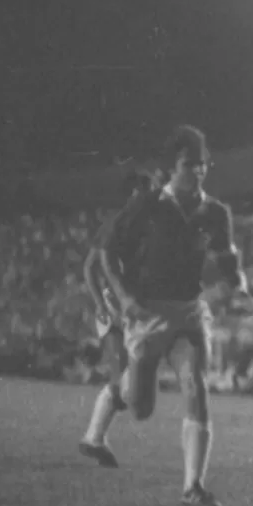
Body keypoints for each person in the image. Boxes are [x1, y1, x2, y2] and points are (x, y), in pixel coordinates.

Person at [91, 125, 252, 506]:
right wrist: (126, 299)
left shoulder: (215, 212)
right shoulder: (147, 205)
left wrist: (240, 286)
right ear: (171, 167)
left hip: (189, 311)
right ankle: (123, 382)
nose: (198, 171)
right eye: (188, 164)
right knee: (140, 407)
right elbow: (106, 253)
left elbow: (229, 261)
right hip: (147, 312)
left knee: (196, 385)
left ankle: (192, 486)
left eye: (203, 164)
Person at [78, 167, 159, 468]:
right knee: (124, 379)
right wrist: (100, 302)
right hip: (115, 311)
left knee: (130, 380)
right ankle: (93, 437)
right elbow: (91, 267)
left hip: (130, 309)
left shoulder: (147, 225)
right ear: (135, 192)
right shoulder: (116, 224)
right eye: (148, 187)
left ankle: (95, 437)